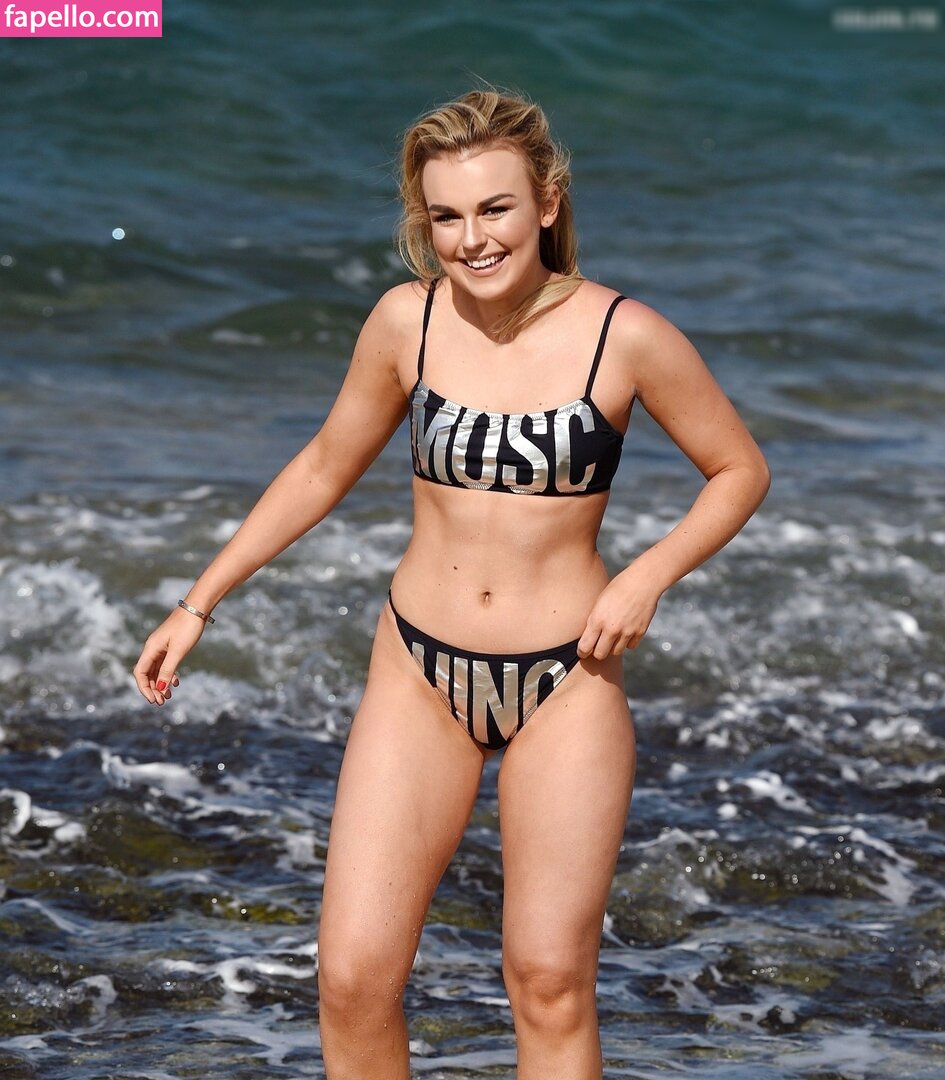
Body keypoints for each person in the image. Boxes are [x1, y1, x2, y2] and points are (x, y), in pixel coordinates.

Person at [133, 87, 770, 1079]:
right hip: (418, 675)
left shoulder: (626, 334)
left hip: (566, 681)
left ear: (546, 203)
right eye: (447, 216)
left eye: (495, 208)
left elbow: (739, 470)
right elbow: (322, 467)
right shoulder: (407, 322)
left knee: (548, 981)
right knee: (353, 980)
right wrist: (197, 601)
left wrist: (648, 575)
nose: (472, 239)